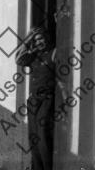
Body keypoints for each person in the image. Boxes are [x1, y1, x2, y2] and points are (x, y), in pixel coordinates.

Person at [15, 24, 56, 170]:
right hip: (33, 100)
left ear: (47, 38)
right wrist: (29, 39)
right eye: (37, 40)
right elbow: (18, 59)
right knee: (33, 137)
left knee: (43, 136)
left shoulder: (54, 52)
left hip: (47, 99)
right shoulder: (33, 55)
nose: (40, 42)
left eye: (42, 39)